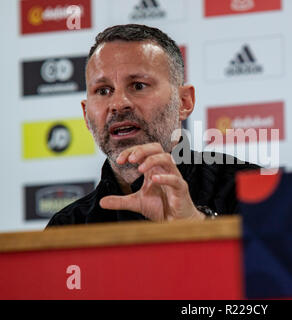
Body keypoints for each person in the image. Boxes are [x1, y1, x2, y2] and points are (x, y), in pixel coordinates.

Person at [46, 24, 260, 227]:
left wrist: (196, 225)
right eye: (103, 91)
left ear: (184, 102)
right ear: (85, 114)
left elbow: (273, 265)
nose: (119, 104)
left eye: (138, 86)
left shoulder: (249, 188)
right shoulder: (67, 225)